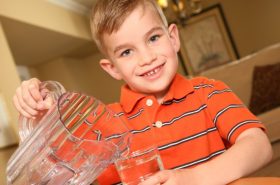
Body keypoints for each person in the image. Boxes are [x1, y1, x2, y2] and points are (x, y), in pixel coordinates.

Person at [13, 0, 273, 184]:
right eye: (127, 52)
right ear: (112, 68)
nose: (147, 57)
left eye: (153, 38)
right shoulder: (101, 126)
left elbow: (258, 145)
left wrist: (193, 179)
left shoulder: (209, 92)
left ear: (173, 38)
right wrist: (39, 119)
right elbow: (54, 174)